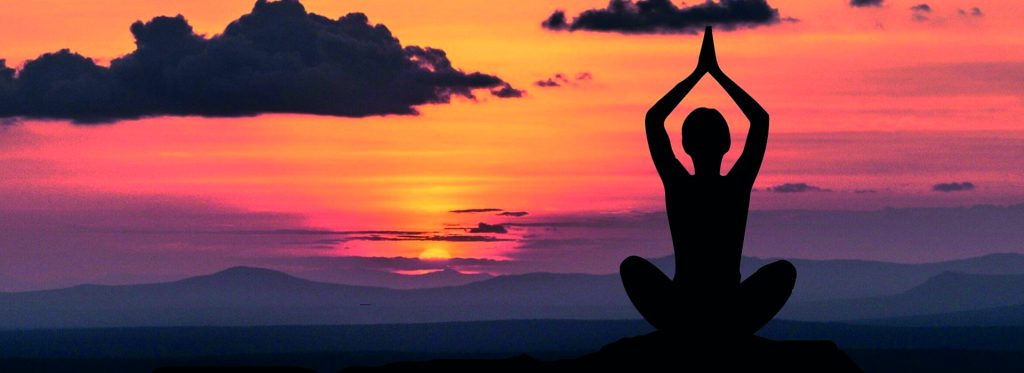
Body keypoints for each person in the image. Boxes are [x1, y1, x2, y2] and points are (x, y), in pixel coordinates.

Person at [620, 26, 796, 336]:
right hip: (728, 307)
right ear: (727, 144)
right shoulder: (736, 185)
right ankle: (722, 330)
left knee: (632, 267)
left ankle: (691, 329)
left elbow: (654, 119)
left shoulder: (679, 184)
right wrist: (715, 74)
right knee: (783, 272)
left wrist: (699, 74)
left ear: (685, 145)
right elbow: (760, 120)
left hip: (685, 307)